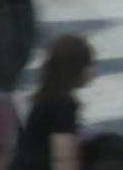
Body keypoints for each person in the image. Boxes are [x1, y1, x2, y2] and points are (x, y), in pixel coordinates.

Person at [10, 35, 96, 170]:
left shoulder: (45, 100)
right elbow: (63, 158)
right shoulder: (63, 106)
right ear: (74, 70)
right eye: (88, 66)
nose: (92, 72)